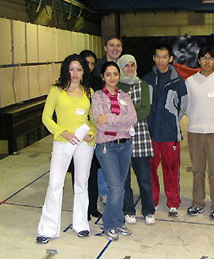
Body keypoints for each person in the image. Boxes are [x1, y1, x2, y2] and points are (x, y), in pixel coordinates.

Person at [36, 54, 96, 244]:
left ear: (83, 71)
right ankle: (47, 229)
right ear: (65, 70)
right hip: (63, 142)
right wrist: (63, 132)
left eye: (79, 69)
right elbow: (46, 118)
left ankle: (81, 225)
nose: (75, 73)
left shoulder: (89, 92)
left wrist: (91, 134)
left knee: (81, 184)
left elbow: (93, 120)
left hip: (84, 145)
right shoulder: (56, 91)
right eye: (72, 69)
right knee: (55, 184)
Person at [91, 61, 137, 241]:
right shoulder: (98, 97)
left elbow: (132, 119)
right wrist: (120, 119)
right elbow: (99, 121)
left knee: (121, 186)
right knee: (115, 187)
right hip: (106, 147)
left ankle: (118, 222)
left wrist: (110, 118)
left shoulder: (125, 96)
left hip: (125, 145)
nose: (112, 77)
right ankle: (109, 224)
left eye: (115, 74)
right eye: (108, 74)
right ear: (103, 77)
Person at [185, 46, 214, 220]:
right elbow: (187, 107)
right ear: (198, 60)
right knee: (197, 170)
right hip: (195, 132)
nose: (207, 61)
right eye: (203, 58)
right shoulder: (190, 81)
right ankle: (197, 203)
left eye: (210, 58)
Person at [142, 44, 188, 217]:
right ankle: (153, 199)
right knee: (151, 168)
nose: (161, 60)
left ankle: (173, 202)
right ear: (154, 58)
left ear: (170, 59)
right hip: (151, 133)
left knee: (171, 168)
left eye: (164, 57)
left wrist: (171, 120)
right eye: (158, 56)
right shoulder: (146, 80)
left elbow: (183, 106)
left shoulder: (178, 81)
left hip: (169, 134)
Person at [117, 54, 156, 225]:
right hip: (122, 137)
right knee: (124, 179)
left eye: (133, 65)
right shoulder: (115, 86)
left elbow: (145, 110)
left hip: (140, 136)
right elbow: (114, 111)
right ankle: (128, 210)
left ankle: (148, 210)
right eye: (126, 66)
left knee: (144, 177)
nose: (130, 68)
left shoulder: (143, 85)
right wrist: (131, 114)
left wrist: (127, 116)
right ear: (120, 67)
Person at [66, 50, 103, 220]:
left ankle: (93, 207)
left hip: (91, 138)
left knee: (93, 174)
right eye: (84, 64)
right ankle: (82, 210)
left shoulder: (95, 84)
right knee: (78, 177)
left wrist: (93, 131)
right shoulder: (67, 86)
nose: (88, 67)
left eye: (92, 64)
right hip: (74, 138)